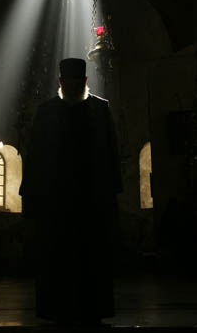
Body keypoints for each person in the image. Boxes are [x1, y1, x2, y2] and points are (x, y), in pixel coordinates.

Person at [19, 58, 122, 326]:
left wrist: (111, 198)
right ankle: (59, 312)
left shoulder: (100, 110)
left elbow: (111, 155)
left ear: (85, 82)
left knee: (91, 263)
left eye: (78, 82)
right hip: (57, 207)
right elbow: (35, 158)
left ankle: (89, 311)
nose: (74, 86)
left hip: (92, 206)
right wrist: (30, 201)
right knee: (58, 264)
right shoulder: (47, 112)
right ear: (61, 83)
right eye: (70, 82)